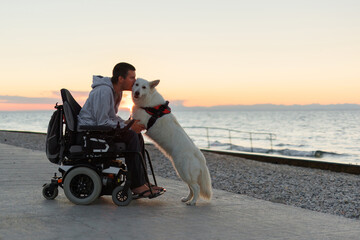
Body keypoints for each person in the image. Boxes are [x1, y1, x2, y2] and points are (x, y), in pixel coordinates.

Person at [77, 62, 164, 198]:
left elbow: (110, 117)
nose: (135, 81)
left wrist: (126, 123)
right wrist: (127, 127)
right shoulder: (104, 91)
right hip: (90, 132)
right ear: (120, 79)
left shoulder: (116, 92)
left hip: (99, 129)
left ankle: (143, 181)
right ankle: (137, 185)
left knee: (136, 134)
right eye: (131, 78)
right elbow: (102, 122)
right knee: (131, 136)